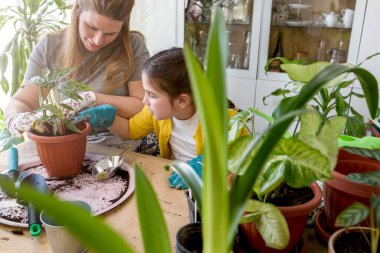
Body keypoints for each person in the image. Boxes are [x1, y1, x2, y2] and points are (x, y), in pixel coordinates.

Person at [4, 0, 149, 149]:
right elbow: (23, 101)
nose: (98, 40)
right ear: (77, 12)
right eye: (92, 27)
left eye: (110, 33)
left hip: (121, 145)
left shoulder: (133, 45)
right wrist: (15, 118)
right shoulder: (49, 47)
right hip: (67, 144)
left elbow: (142, 106)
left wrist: (91, 98)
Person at [103, 47, 249, 189]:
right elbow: (129, 130)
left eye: (152, 95)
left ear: (182, 101)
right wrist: (109, 119)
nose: (144, 101)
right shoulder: (155, 113)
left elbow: (249, 163)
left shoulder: (228, 121)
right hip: (176, 180)